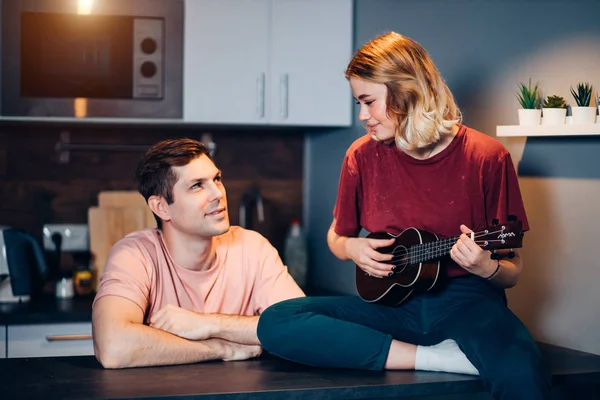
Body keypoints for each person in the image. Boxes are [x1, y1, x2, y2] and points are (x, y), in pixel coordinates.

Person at [257, 32, 550, 399]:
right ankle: (431, 357)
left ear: (407, 92)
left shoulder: (486, 157)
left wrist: (485, 267)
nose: (362, 116)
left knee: (522, 372)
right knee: (277, 320)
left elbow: (513, 270)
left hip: (469, 304)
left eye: (369, 102)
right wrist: (352, 248)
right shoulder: (361, 156)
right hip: (390, 307)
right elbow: (337, 237)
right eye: (358, 103)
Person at [92, 138, 304, 369]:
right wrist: (221, 348)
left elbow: (306, 330)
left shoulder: (252, 247)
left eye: (217, 179)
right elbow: (113, 347)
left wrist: (211, 325)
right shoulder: (135, 255)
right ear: (161, 207)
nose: (217, 194)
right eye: (197, 186)